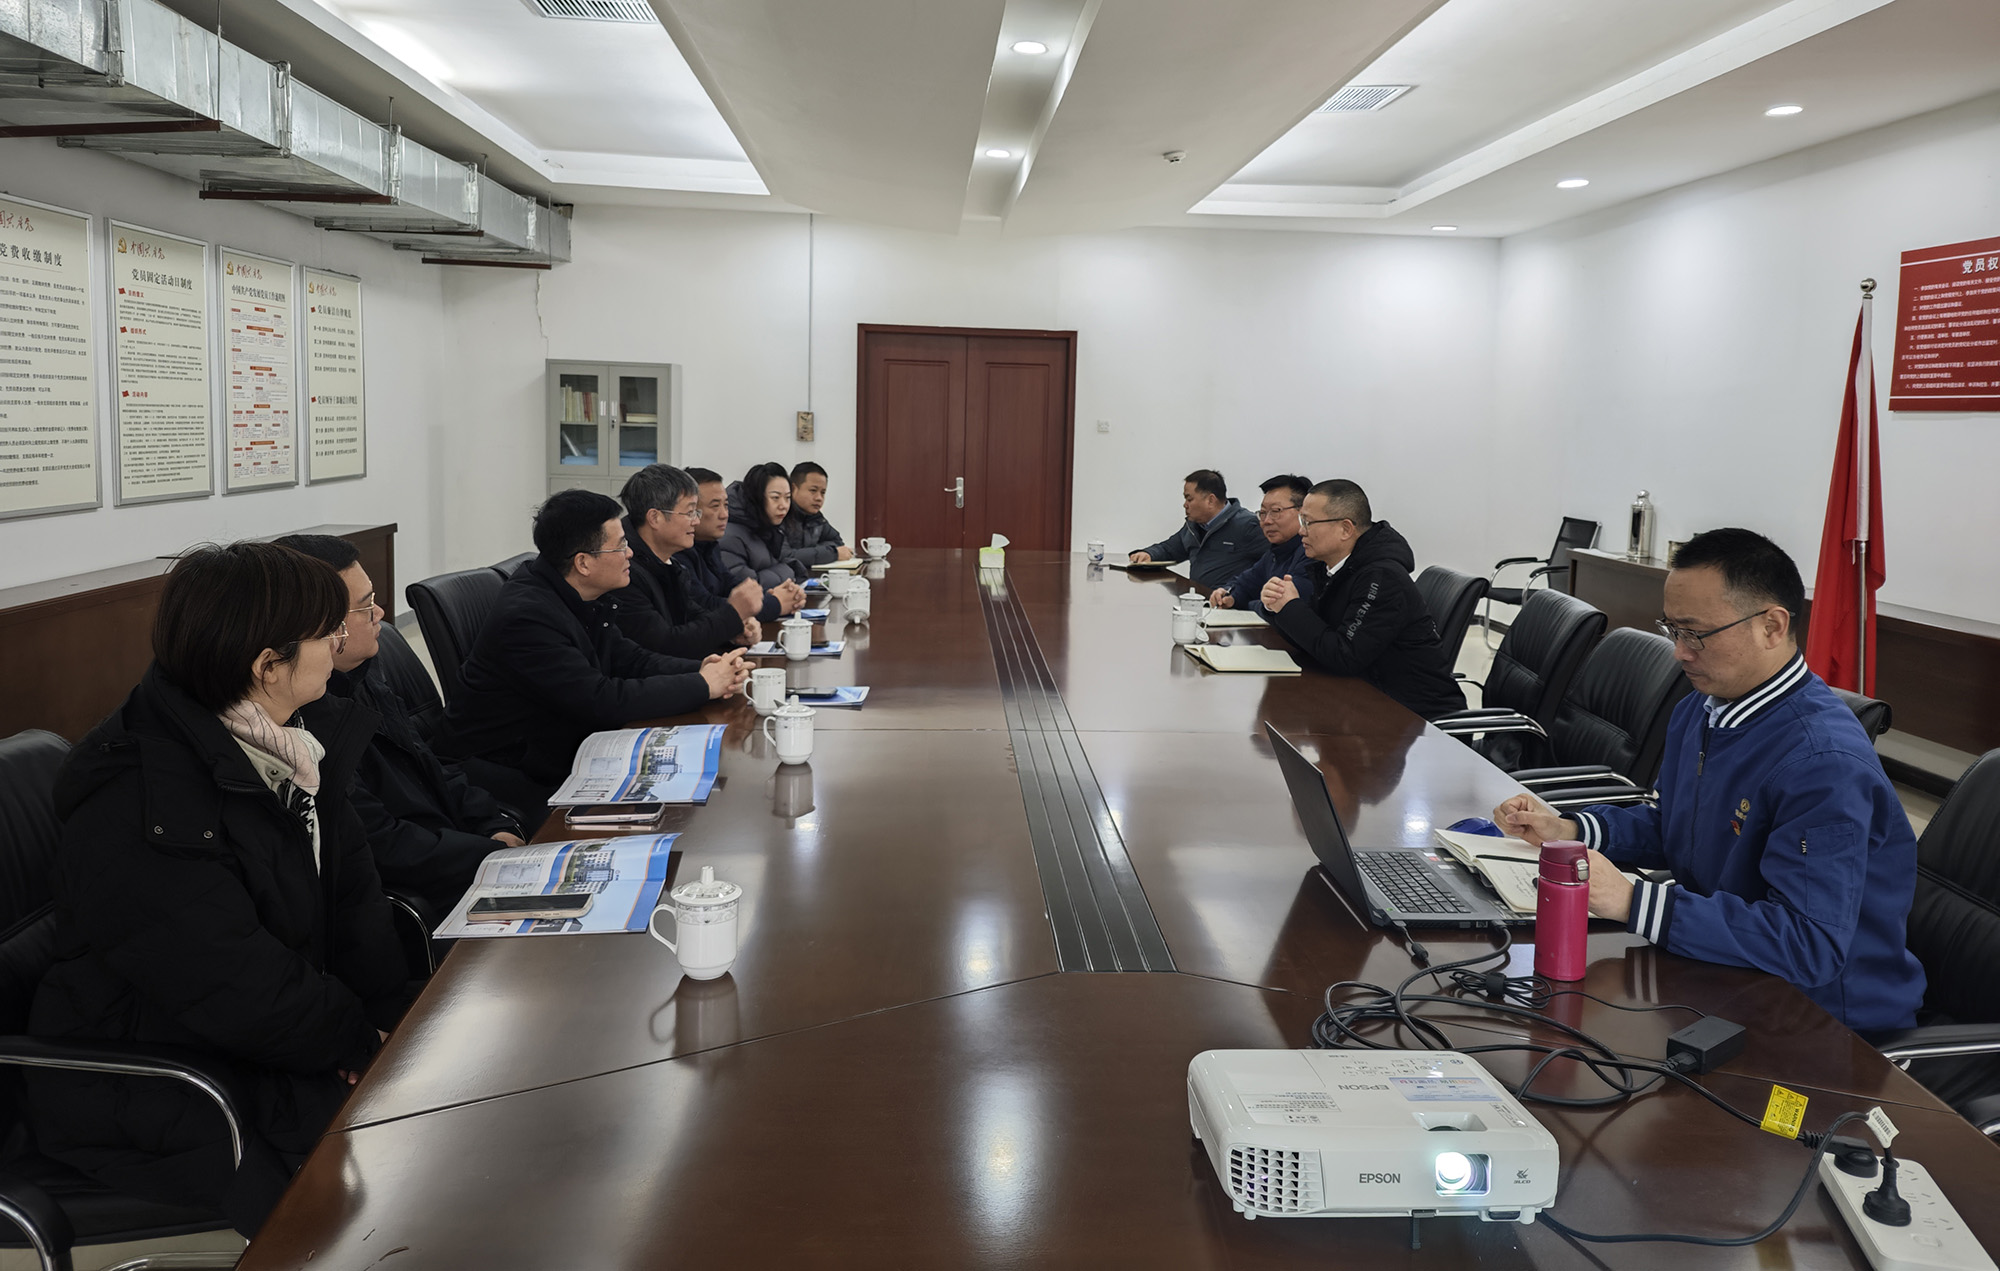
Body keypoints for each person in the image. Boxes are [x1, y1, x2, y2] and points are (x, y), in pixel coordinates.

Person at [27, 542, 412, 1235]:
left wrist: (387, 1023)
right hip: (164, 1076)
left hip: (269, 1036)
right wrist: (356, 1040)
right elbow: (231, 980)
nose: (340, 642)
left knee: (435, 1095)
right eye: (326, 631)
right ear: (267, 665)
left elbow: (352, 898)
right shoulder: (139, 800)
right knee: (393, 1184)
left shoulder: (291, 743)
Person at [1492, 527, 1925, 1033]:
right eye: (1672, 629)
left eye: (1696, 634)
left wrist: (1632, 900)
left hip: (1825, 1020)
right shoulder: (1703, 710)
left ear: (1772, 626)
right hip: (1725, 970)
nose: (1679, 652)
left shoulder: (1822, 763)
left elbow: (1809, 945)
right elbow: (1679, 827)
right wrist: (1570, 829)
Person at [441, 489, 751, 807]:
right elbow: (601, 699)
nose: (630, 553)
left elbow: (629, 658)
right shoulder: (527, 617)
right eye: (620, 546)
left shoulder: (575, 593)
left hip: (559, 748)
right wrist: (701, 685)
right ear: (583, 563)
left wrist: (702, 669)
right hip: (510, 773)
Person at [275, 534, 526, 920]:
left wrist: (491, 823)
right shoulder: (303, 726)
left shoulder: (363, 673)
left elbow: (429, 762)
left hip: (460, 858)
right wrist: (488, 854)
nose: (380, 613)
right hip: (428, 893)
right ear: (323, 626)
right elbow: (385, 845)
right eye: (365, 606)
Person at [1260, 479, 1466, 719]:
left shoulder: (1382, 578)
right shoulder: (1336, 569)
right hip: (1367, 701)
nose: (1301, 531)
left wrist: (1291, 608)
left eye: (1308, 522)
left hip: (1415, 719)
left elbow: (1344, 656)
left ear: (1345, 529)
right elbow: (1317, 639)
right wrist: (1278, 607)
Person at [614, 464, 765, 657]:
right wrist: (733, 614)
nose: (696, 521)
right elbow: (666, 645)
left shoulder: (670, 564)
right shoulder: (624, 572)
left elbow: (693, 618)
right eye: (690, 513)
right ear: (655, 517)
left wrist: (734, 632)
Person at [687, 466, 806, 622]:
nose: (724, 514)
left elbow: (733, 586)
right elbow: (707, 605)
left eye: (726, 505)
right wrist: (776, 603)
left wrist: (772, 596)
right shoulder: (679, 553)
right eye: (715, 506)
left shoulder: (709, 546)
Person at [1129, 469, 1265, 590]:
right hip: (1197, 601)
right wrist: (1149, 554)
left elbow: (1268, 566)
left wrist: (1232, 591)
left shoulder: (1248, 525)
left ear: (1210, 500)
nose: (1185, 505)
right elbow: (1169, 549)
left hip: (1227, 604)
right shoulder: (1193, 526)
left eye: (1189, 499)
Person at [1209, 474, 1312, 614]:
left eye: (1276, 511)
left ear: (1303, 513)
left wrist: (1251, 605)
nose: (1267, 521)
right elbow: (1245, 583)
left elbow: (1282, 605)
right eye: (1263, 513)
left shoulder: (1311, 552)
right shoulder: (1274, 553)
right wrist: (1229, 595)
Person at [720, 462, 809, 589]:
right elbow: (747, 587)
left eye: (787, 498)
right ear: (756, 497)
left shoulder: (766, 527)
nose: (784, 505)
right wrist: (789, 570)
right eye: (775, 498)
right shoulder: (729, 536)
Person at [783, 460, 853, 567]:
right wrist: (831, 553)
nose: (819, 498)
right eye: (813, 490)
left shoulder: (816, 518)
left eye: (823, 492)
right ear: (793, 489)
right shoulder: (781, 515)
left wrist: (809, 553)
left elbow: (838, 543)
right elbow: (786, 556)